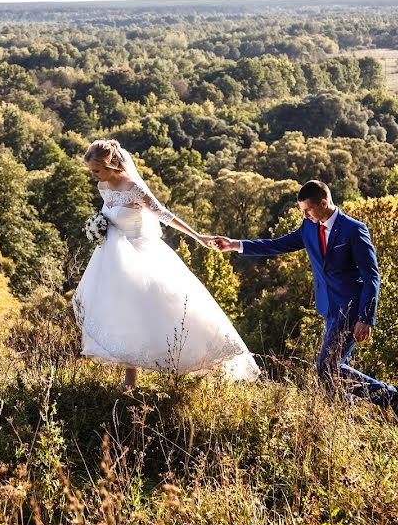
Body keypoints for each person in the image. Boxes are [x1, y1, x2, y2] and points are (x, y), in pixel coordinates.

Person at [211, 180, 398, 430]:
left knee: (326, 367)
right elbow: (276, 245)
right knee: (334, 368)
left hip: (351, 309)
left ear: (323, 204)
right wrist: (234, 244)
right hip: (328, 308)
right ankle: (344, 421)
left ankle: (393, 397)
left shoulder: (353, 230)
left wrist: (366, 317)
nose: (304, 215)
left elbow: (372, 276)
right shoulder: (308, 227)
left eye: (307, 210)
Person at [73, 139, 260, 389]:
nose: (94, 176)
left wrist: (199, 236)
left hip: (142, 253)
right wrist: (99, 227)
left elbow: (164, 214)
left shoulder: (135, 187)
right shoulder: (102, 186)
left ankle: (198, 363)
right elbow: (108, 213)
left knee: (165, 311)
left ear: (111, 165)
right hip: (114, 256)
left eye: (96, 170)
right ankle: (131, 381)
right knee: (125, 311)